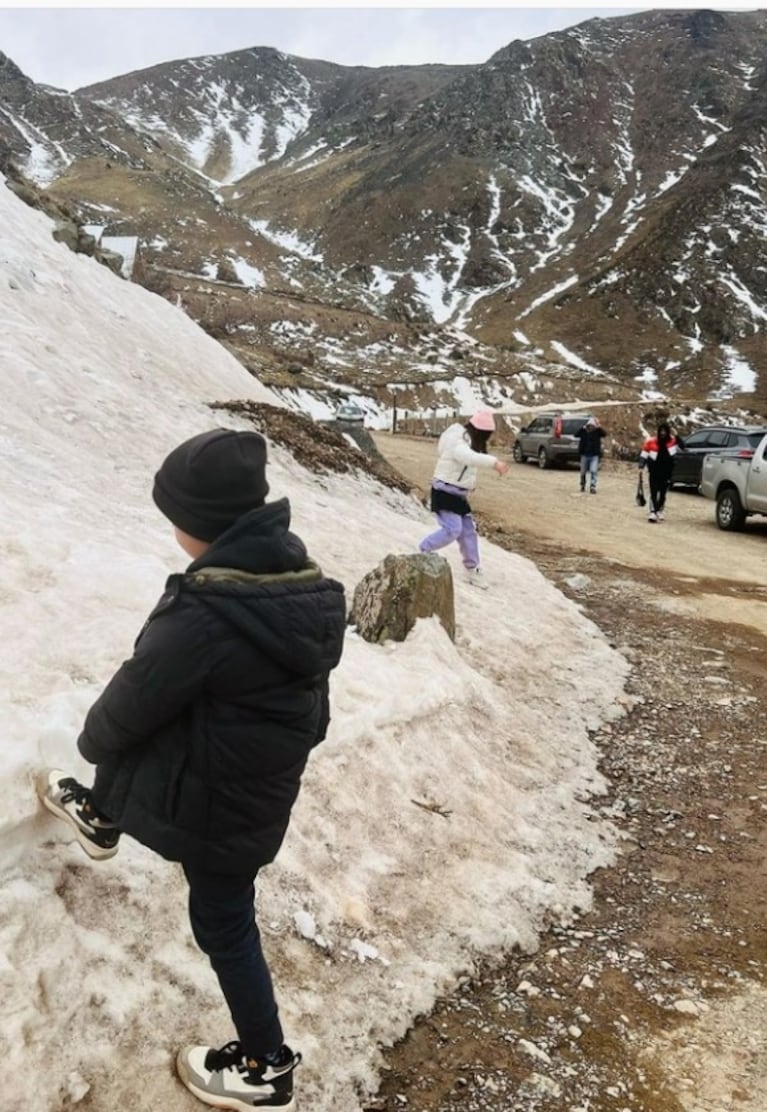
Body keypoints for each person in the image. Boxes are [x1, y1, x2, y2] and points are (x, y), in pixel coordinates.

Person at [37, 428, 346, 1112]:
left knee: (223, 923)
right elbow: (312, 713)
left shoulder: (205, 611)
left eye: (174, 515)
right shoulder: (301, 586)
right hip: (259, 781)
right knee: (163, 734)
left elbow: (133, 699)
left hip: (224, 806)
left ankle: (266, 1067)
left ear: (199, 524)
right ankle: (106, 815)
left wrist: (90, 743)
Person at [418, 409, 509, 589]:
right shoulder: (457, 439)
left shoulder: (470, 440)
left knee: (468, 532)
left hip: (459, 494)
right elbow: (467, 457)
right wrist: (494, 463)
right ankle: (423, 550)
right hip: (444, 490)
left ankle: (473, 569)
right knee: (453, 529)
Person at [638, 421, 684, 522]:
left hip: (667, 472)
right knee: (653, 492)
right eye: (661, 431)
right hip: (654, 471)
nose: (662, 433)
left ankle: (660, 510)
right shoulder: (651, 442)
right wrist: (641, 466)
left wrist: (676, 435)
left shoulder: (672, 442)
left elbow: (683, 446)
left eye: (665, 431)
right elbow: (644, 454)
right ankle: (653, 512)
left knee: (663, 493)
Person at [577, 416, 606, 494]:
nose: (591, 427)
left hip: (594, 455)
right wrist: (582, 428)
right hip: (584, 455)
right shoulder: (583, 431)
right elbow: (576, 434)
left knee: (593, 471)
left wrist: (599, 427)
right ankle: (582, 484)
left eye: (592, 426)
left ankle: (593, 486)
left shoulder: (597, 432)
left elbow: (604, 434)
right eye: (589, 425)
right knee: (583, 472)